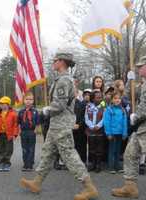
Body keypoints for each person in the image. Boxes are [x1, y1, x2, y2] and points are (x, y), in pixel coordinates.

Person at [19, 52, 98, 200]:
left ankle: (89, 187)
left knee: (69, 156)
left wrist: (48, 109)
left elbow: (60, 104)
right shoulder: (61, 79)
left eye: (55, 60)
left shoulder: (63, 80)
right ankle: (37, 182)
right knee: (48, 154)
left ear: (62, 62)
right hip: (56, 124)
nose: (53, 62)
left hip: (61, 124)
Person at [112, 54, 146, 198]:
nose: (139, 68)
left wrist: (135, 116)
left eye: (141, 66)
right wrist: (130, 81)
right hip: (142, 128)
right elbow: (127, 95)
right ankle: (130, 188)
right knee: (130, 155)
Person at [0, 96, 19, 172]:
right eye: (0, 104)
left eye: (3, 104)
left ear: (8, 105)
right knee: (1, 148)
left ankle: (7, 163)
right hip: (0, 134)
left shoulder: (13, 114)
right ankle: (1, 162)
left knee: (9, 149)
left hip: (9, 134)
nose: (2, 105)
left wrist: (15, 133)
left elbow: (15, 125)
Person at [103, 92, 128, 173]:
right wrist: (108, 133)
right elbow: (106, 122)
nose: (117, 100)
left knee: (118, 150)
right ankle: (111, 166)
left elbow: (125, 122)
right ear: (112, 100)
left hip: (120, 133)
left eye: (119, 98)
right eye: (115, 98)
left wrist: (124, 133)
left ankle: (117, 165)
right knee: (112, 150)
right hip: (112, 133)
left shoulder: (123, 110)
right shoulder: (109, 109)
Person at [18, 91, 40, 171]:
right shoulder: (21, 112)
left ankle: (30, 164)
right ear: (24, 100)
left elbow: (37, 123)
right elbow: (19, 122)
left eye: (30, 99)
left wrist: (36, 130)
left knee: (31, 148)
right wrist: (19, 130)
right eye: (27, 99)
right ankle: (25, 164)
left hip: (31, 132)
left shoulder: (35, 111)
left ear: (33, 101)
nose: (28, 101)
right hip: (23, 132)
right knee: (24, 148)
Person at [85, 89, 106, 172]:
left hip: (100, 131)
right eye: (97, 98)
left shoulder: (103, 106)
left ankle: (98, 164)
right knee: (92, 148)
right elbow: (86, 118)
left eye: (100, 97)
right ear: (93, 98)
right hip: (91, 132)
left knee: (99, 149)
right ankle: (93, 164)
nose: (99, 99)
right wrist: (91, 126)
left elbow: (104, 118)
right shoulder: (88, 107)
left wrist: (98, 125)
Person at [73, 89, 91, 164]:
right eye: (85, 95)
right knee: (76, 145)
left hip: (84, 127)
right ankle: (77, 161)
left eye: (89, 95)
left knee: (84, 145)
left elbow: (84, 116)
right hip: (75, 127)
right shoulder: (79, 104)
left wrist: (79, 124)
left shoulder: (83, 104)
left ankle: (85, 161)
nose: (87, 96)